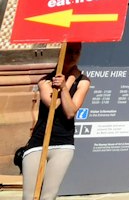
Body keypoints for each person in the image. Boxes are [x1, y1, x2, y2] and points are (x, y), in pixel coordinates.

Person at [20, 41, 89, 200]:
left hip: (63, 143)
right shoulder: (45, 81)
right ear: (61, 52)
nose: (73, 56)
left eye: (77, 52)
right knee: (29, 196)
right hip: (38, 142)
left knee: (48, 196)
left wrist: (65, 87)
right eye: (70, 51)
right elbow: (54, 104)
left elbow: (70, 111)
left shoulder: (83, 82)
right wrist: (70, 80)